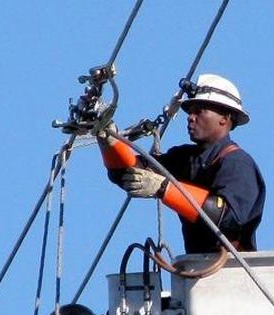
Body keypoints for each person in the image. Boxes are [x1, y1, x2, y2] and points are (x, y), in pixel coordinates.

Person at [98, 74, 265, 253]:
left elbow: (228, 217)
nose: (190, 117)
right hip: (196, 270)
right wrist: (108, 138)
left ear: (224, 117)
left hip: (232, 272)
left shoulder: (238, 163)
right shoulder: (184, 158)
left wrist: (164, 189)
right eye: (190, 111)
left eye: (199, 110)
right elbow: (128, 173)